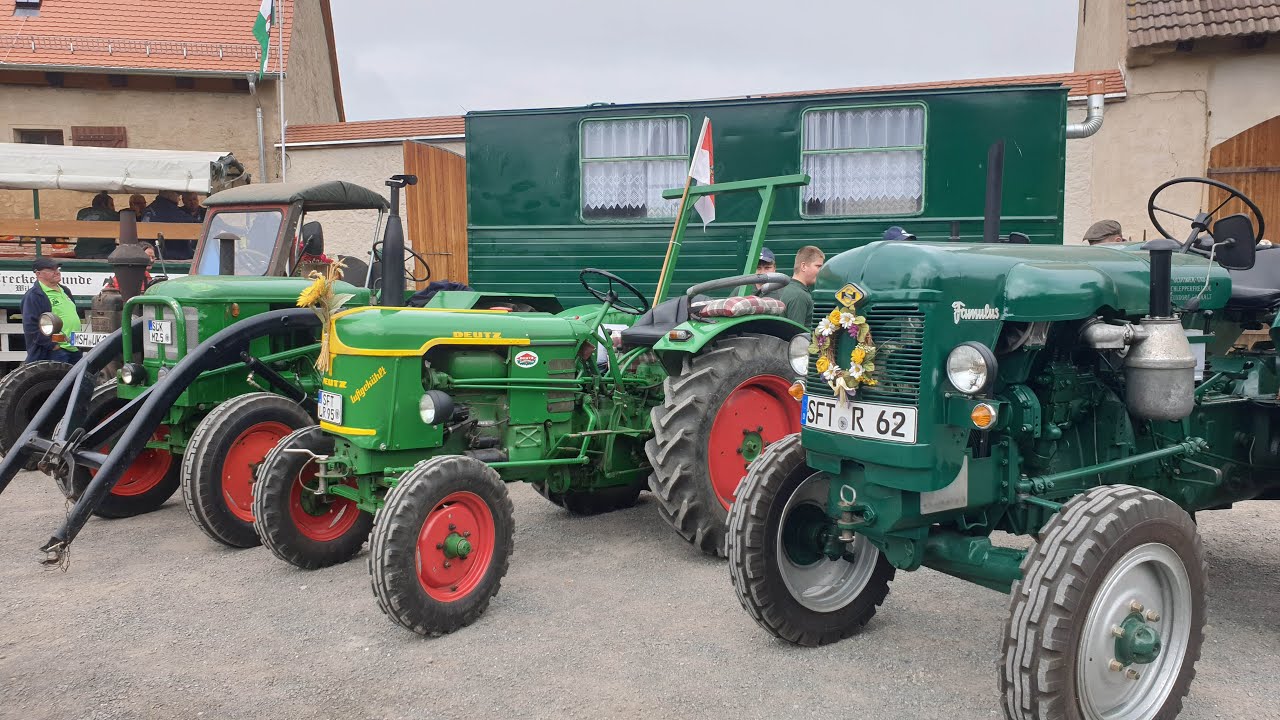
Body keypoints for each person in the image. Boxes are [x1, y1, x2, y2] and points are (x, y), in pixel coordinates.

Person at [22, 258, 81, 364]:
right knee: (58, 380)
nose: (57, 272)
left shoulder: (65, 290)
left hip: (74, 348)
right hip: (55, 351)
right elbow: (31, 326)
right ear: (38, 274)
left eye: (57, 269)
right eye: (51, 270)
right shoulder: (34, 295)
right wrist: (53, 346)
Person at [763, 245, 825, 326]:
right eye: (818, 266)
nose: (821, 270)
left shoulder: (791, 289)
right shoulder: (798, 295)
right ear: (803, 266)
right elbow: (796, 334)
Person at [141, 190, 199, 259]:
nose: (179, 198)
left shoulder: (150, 209)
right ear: (169, 195)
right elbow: (191, 222)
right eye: (177, 195)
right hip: (174, 253)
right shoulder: (170, 209)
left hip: (155, 252)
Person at [74, 191, 119, 259]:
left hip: (81, 253)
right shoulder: (112, 215)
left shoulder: (81, 212)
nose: (113, 208)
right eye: (112, 205)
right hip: (105, 253)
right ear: (104, 204)